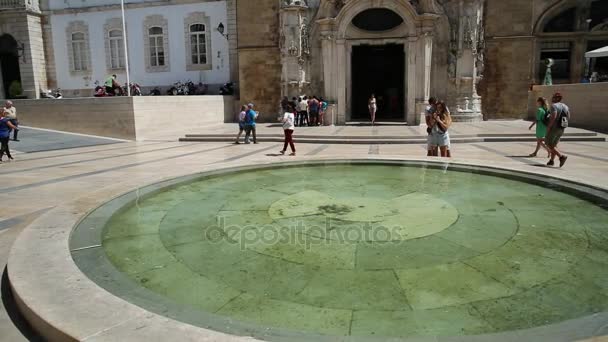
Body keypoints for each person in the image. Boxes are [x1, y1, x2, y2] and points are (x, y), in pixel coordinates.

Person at [546, 92, 569, 167]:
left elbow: (554, 116)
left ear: (557, 98)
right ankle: (551, 161)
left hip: (554, 128)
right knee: (554, 145)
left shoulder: (554, 106)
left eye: (553, 97)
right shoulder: (566, 106)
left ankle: (561, 157)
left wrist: (549, 127)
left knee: (548, 143)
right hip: (561, 128)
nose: (552, 98)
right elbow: (568, 117)